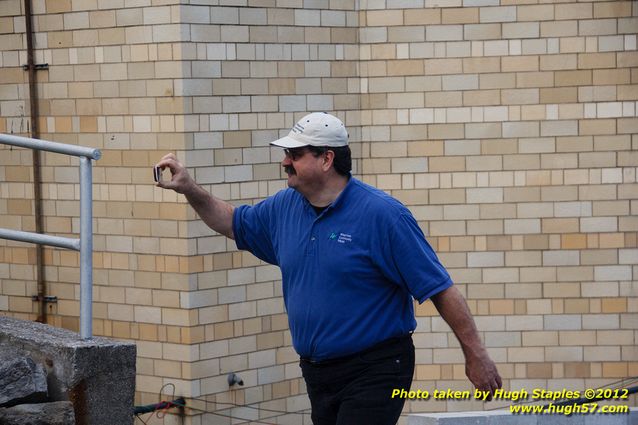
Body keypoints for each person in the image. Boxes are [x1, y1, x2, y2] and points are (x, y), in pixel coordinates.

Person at [155, 112, 501, 425]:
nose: (284, 162)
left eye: (295, 155)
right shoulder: (284, 207)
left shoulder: (383, 215)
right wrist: (189, 189)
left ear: (326, 159)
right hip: (318, 373)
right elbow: (232, 222)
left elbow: (440, 289)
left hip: (375, 368)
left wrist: (476, 356)